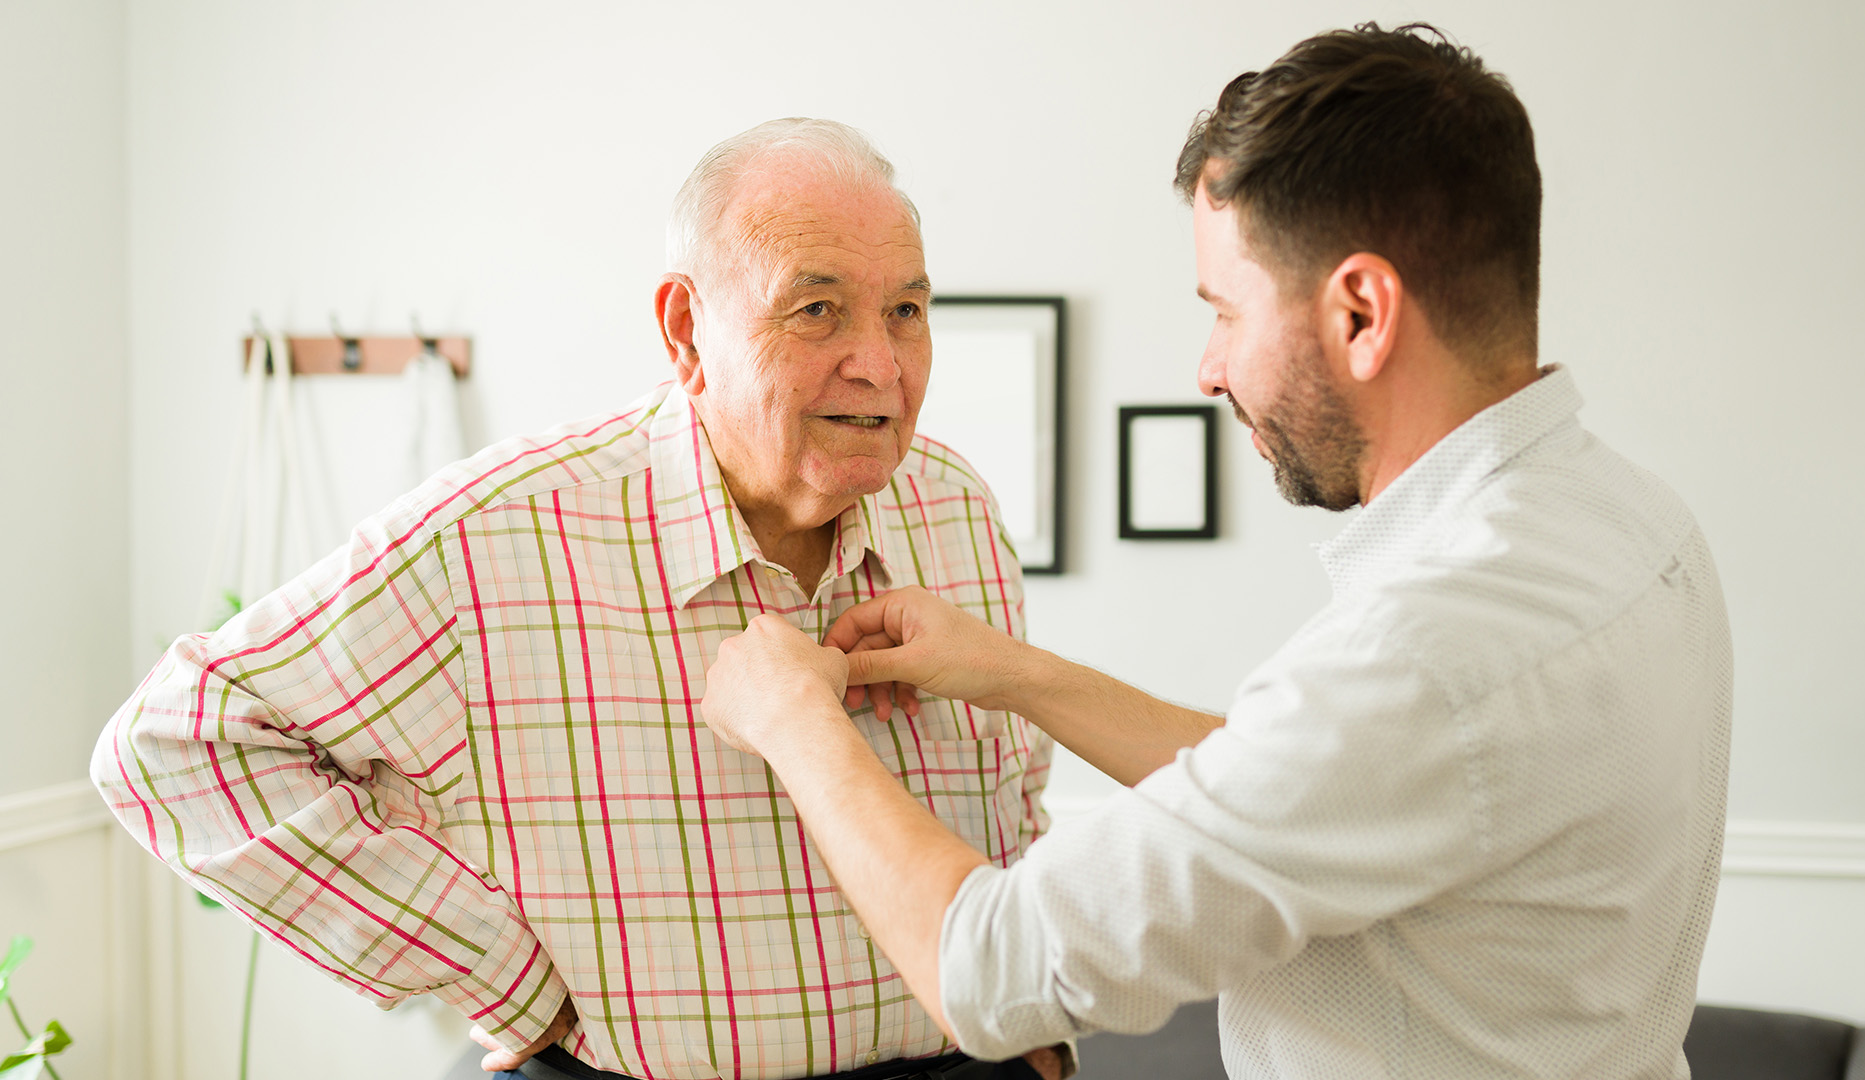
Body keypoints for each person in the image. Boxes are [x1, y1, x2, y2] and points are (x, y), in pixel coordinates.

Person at [698, 25, 1734, 1080]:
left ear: (1362, 313)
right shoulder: (1630, 522)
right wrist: (1015, 673)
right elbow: (1332, 789)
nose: (1209, 368)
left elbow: (992, 971)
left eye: (1226, 312)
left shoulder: (1428, 649)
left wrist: (798, 727)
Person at [92, 119, 1066, 1080]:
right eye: (817, 310)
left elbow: (1013, 802)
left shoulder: (955, 506)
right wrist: (505, 978)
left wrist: (1045, 1042)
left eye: (906, 310)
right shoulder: (497, 535)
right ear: (687, 329)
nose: (882, 364)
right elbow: (174, 742)